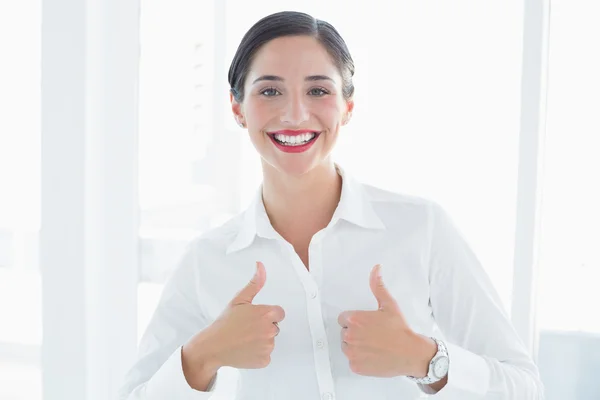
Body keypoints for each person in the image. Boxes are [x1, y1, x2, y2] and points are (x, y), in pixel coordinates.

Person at [119, 10, 544, 400]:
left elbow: (525, 388)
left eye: (318, 90)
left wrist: (422, 358)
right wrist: (202, 356)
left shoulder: (421, 229)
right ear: (238, 109)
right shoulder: (206, 260)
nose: (295, 113)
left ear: (347, 107)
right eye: (270, 90)